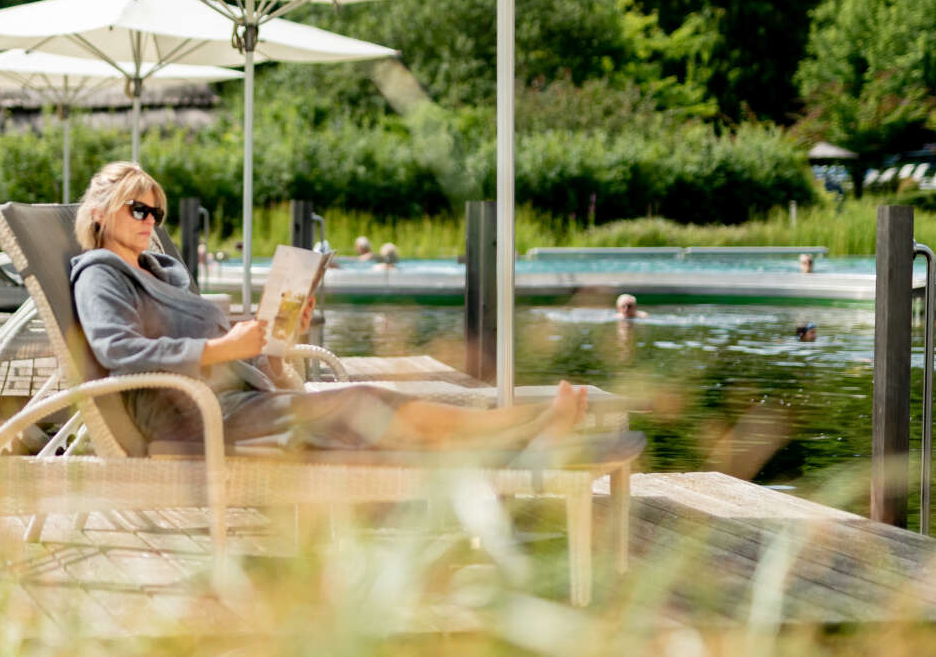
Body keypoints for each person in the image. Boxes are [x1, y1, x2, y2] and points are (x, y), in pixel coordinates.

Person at [70, 162, 603, 458]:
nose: (150, 219)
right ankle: (517, 431)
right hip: (192, 419)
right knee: (362, 404)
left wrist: (274, 341)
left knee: (372, 407)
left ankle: (511, 436)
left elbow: (233, 357)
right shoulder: (100, 273)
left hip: (238, 399)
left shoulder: (162, 273)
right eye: (137, 207)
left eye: (156, 211)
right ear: (100, 213)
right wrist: (222, 346)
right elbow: (118, 351)